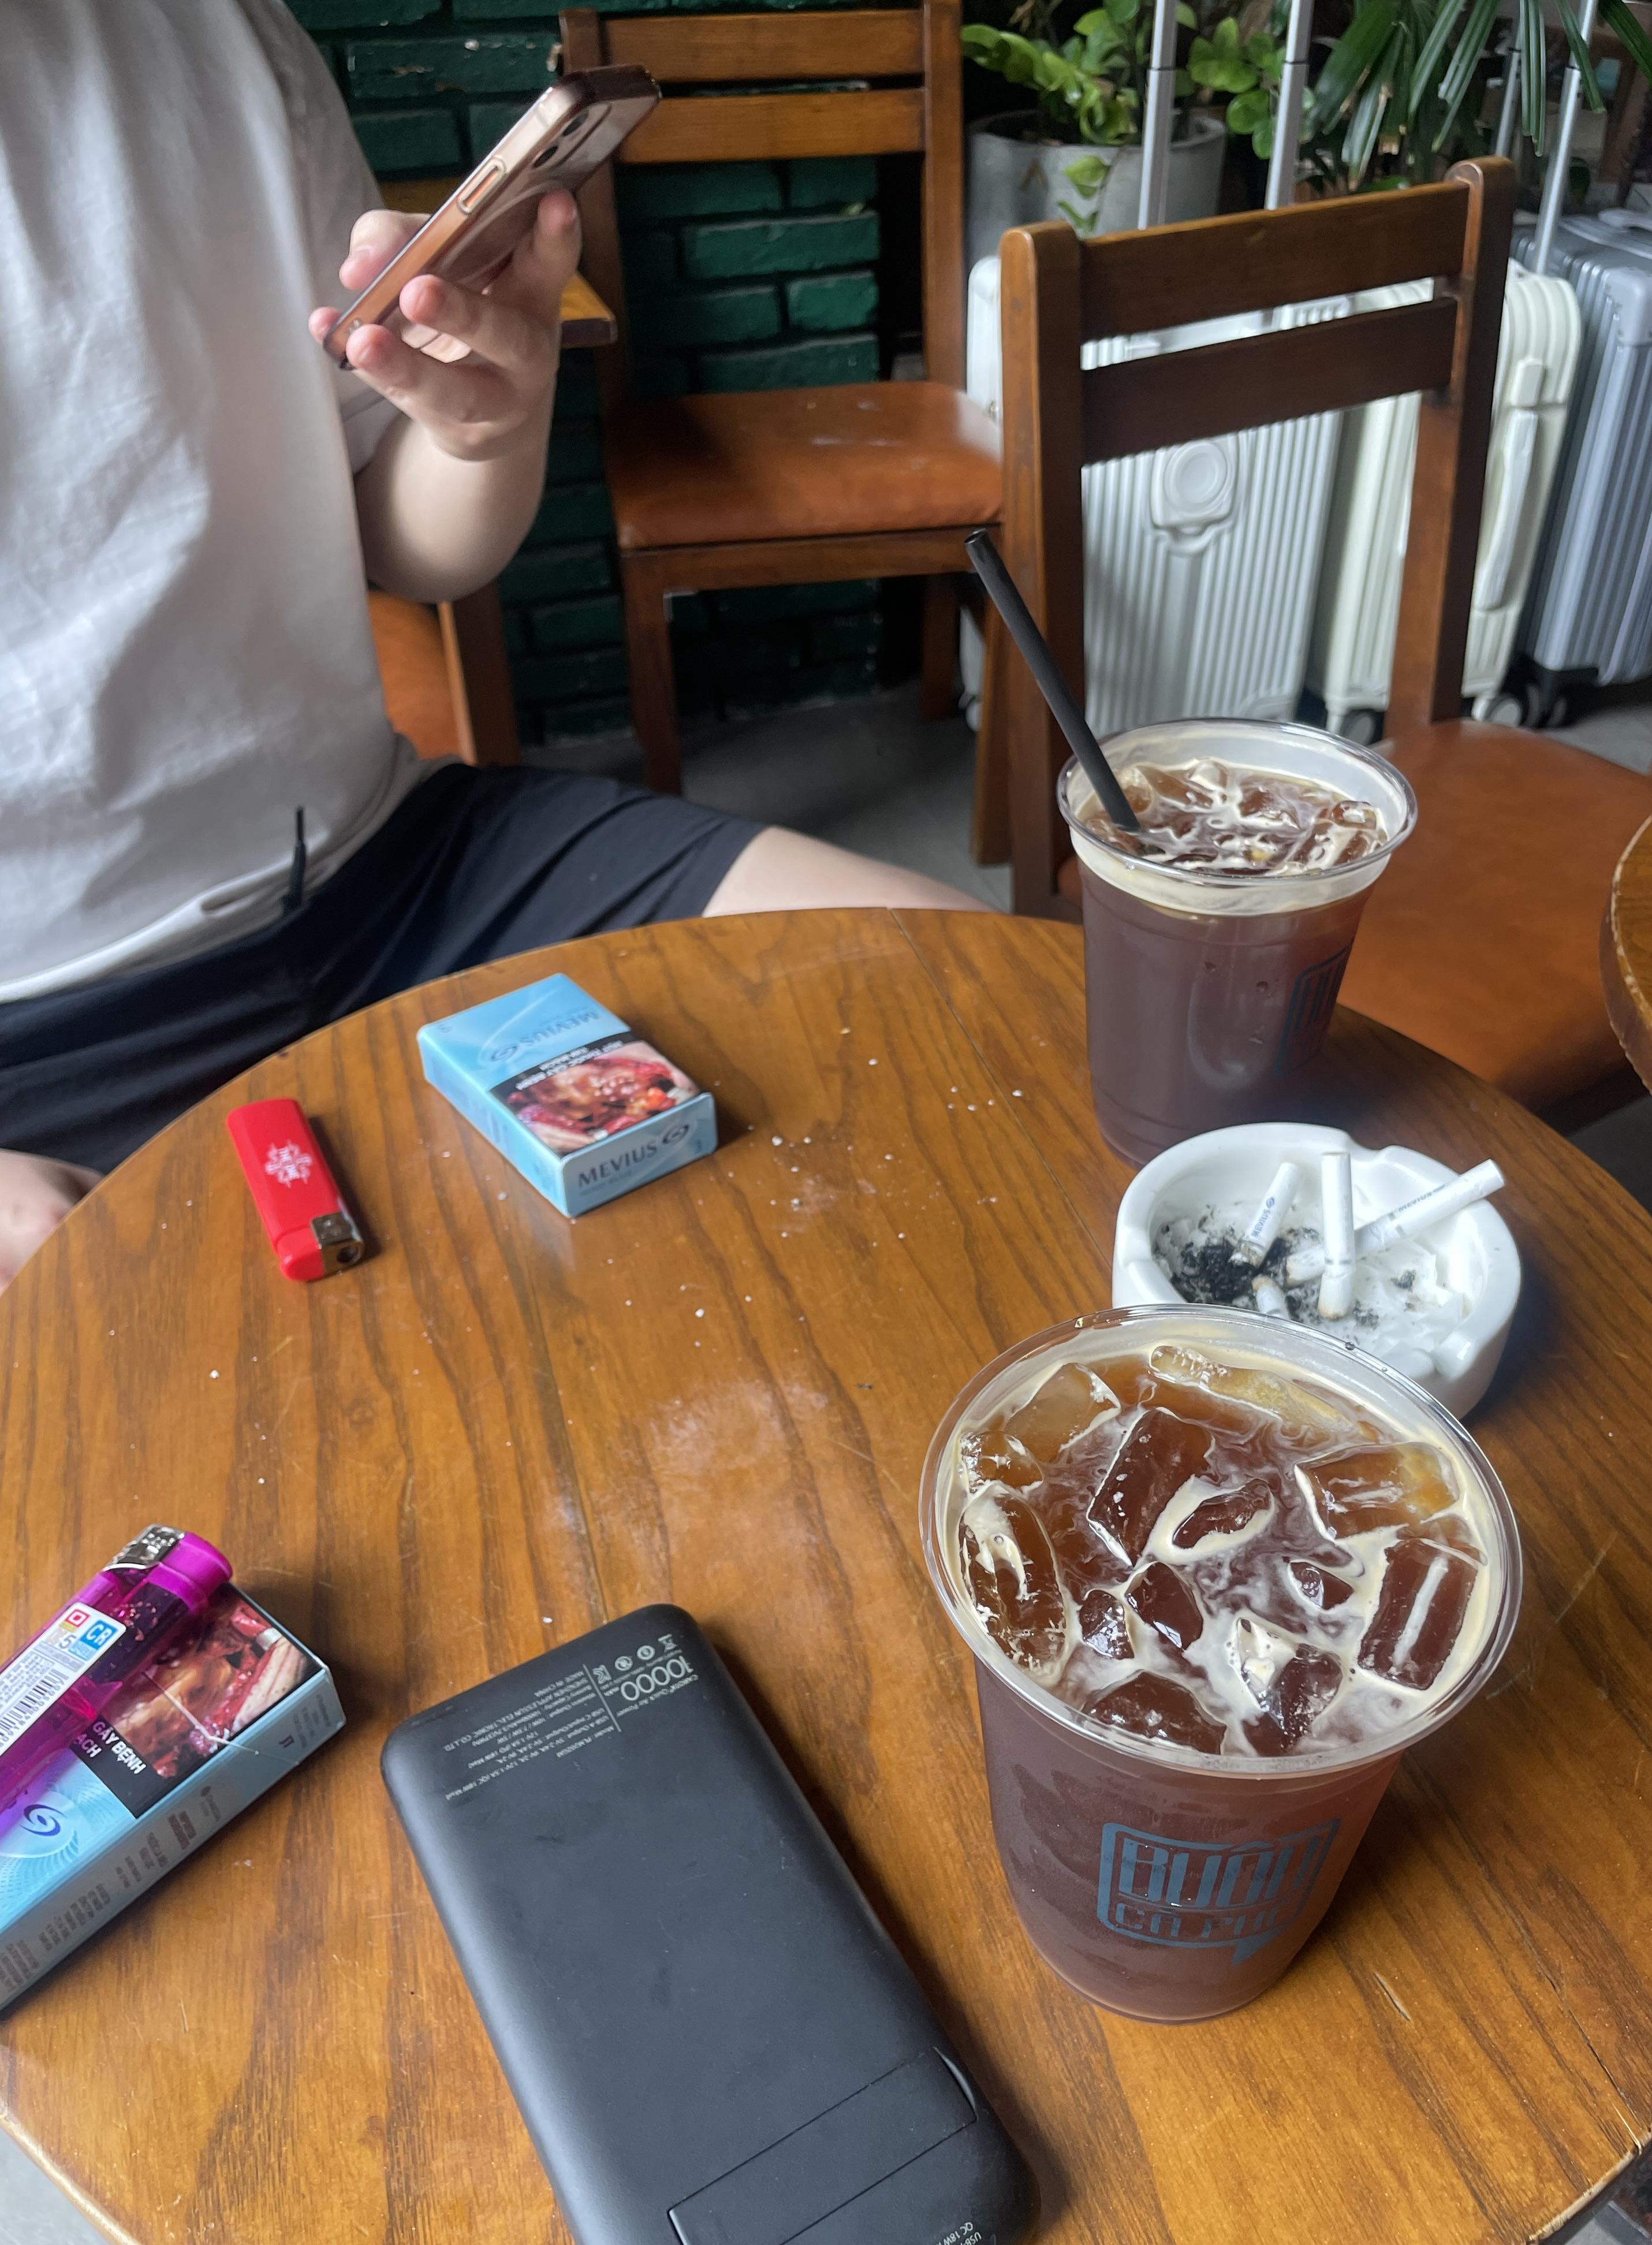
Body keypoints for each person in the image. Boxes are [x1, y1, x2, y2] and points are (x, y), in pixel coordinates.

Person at [0, 0, 986, 1292]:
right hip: (40, 1050)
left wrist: (486, 429)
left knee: (974, 987)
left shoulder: (224, 27)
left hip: (407, 865)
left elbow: (404, 537)